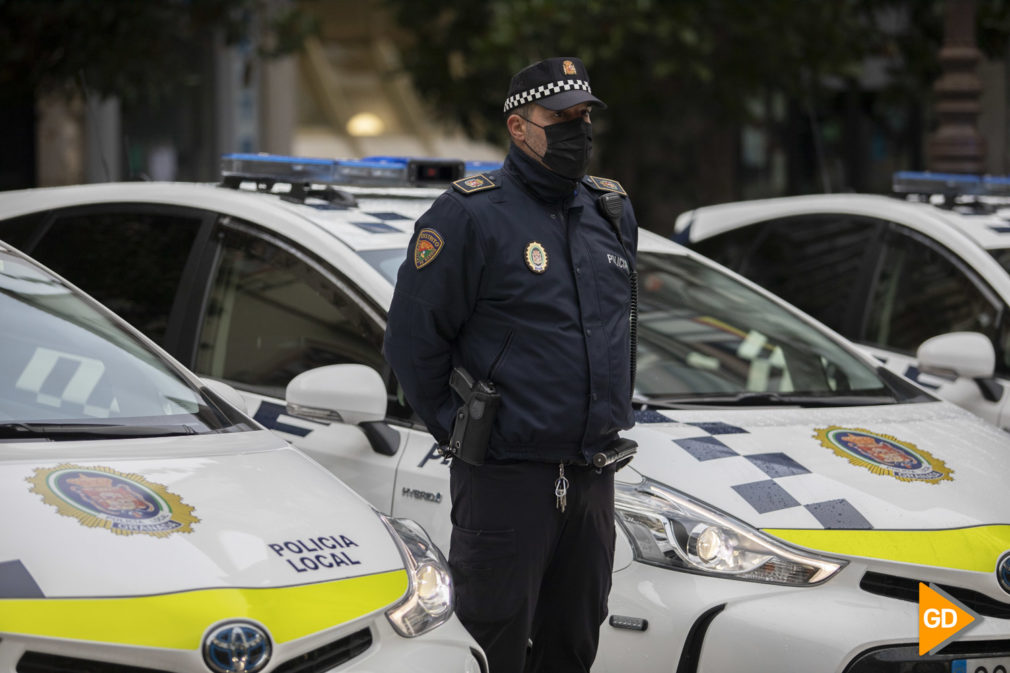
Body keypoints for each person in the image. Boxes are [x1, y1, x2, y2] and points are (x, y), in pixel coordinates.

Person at [383, 56, 638, 673]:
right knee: (493, 647)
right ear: (520, 127)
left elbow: (616, 330)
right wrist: (467, 429)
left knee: (573, 647)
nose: (578, 129)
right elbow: (411, 343)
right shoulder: (469, 215)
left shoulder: (610, 211)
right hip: (505, 483)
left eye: (584, 116)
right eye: (561, 117)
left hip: (591, 478)